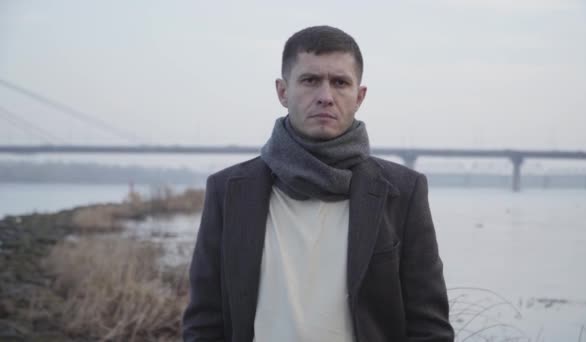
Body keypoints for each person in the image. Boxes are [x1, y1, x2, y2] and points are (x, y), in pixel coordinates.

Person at [183, 25, 454, 342]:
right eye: (310, 80)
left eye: (340, 83)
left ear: (359, 96)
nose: (325, 96)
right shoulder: (228, 191)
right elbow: (204, 323)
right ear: (283, 91)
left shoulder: (403, 192)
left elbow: (429, 327)